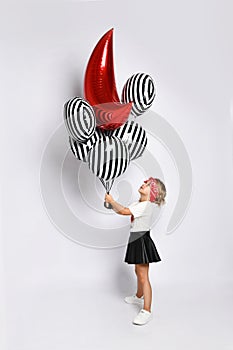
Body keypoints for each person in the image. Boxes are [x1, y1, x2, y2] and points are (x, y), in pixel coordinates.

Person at [105, 177, 166, 325]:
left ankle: (147, 311)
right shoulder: (138, 204)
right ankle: (139, 296)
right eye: (145, 183)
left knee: (144, 276)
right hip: (136, 239)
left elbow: (125, 212)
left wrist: (112, 202)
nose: (143, 184)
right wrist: (111, 205)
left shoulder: (145, 205)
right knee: (138, 271)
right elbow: (122, 211)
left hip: (141, 240)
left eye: (147, 185)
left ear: (152, 194)